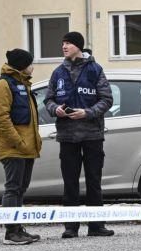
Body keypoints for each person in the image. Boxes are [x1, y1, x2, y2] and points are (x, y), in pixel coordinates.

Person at [44, 31, 114, 238]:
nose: (64, 46)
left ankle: (96, 225)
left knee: (94, 180)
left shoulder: (95, 70)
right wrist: (55, 109)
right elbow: (48, 100)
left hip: (92, 134)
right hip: (67, 135)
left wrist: (88, 112)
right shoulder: (58, 72)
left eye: (68, 43)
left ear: (78, 47)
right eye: (63, 43)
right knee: (70, 181)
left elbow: (107, 99)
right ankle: (70, 227)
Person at [0, 49, 43, 245]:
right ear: (22, 65)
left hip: (27, 148)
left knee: (21, 189)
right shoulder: (4, 84)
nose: (33, 67)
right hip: (14, 148)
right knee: (13, 189)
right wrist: (18, 142)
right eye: (30, 63)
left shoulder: (23, 83)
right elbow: (1, 118)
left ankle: (18, 227)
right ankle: (11, 232)